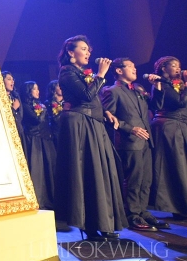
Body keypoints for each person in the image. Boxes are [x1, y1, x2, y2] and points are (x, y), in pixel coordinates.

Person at [55, 35, 126, 241]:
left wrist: (105, 112)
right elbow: (85, 96)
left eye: (88, 49)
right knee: (88, 172)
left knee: (101, 172)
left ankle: (103, 221)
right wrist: (101, 74)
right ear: (71, 52)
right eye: (83, 49)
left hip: (93, 123)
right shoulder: (67, 72)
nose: (88, 53)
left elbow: (92, 98)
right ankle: (91, 224)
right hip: (80, 124)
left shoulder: (81, 72)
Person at [100, 58, 168, 232]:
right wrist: (130, 129)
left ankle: (142, 211)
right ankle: (132, 214)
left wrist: (157, 87)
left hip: (146, 140)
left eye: (134, 66)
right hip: (130, 141)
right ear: (119, 70)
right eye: (130, 66)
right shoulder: (112, 91)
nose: (134, 68)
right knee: (134, 179)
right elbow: (107, 116)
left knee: (147, 179)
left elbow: (156, 105)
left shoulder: (138, 89)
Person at [149, 56, 187, 221]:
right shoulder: (162, 84)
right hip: (170, 126)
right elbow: (178, 102)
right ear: (164, 68)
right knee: (177, 167)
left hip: (181, 125)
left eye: (179, 66)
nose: (178, 69)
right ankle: (180, 205)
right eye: (174, 65)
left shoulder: (177, 84)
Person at [20, 81, 57, 210]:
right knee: (38, 171)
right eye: (34, 89)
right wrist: (43, 111)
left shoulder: (39, 105)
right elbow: (36, 120)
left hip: (45, 138)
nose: (37, 91)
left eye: (38, 89)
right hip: (34, 139)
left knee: (50, 169)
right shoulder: (25, 105)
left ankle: (51, 199)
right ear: (29, 91)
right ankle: (38, 200)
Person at [2, 71, 24, 143]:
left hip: (18, 130)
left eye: (13, 79)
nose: (12, 81)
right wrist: (13, 108)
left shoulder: (15, 96)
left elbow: (20, 115)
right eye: (9, 79)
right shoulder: (0, 98)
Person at [45, 80, 64, 150]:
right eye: (59, 86)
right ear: (54, 90)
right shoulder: (49, 103)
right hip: (56, 132)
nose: (61, 87)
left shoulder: (67, 101)